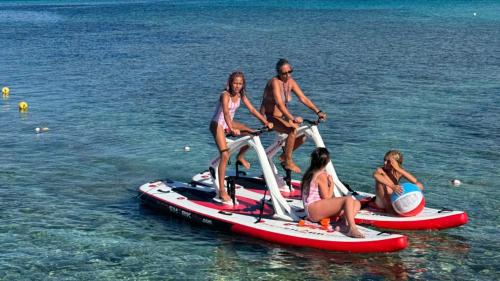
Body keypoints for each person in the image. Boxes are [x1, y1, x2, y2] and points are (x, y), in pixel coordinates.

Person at [210, 71, 273, 204]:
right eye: (235, 83)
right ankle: (222, 190)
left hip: (229, 123)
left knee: (252, 134)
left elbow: (252, 110)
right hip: (218, 124)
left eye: (240, 83)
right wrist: (231, 129)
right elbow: (226, 113)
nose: (237, 86)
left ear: (243, 84)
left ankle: (240, 156)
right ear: (230, 83)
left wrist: (265, 122)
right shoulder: (225, 95)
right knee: (225, 155)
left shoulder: (241, 95)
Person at [260, 58, 327, 173]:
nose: (287, 75)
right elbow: (280, 104)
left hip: (282, 117)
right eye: (284, 73)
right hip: (269, 117)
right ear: (278, 73)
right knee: (292, 131)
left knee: (304, 135)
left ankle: (283, 156)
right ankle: (288, 161)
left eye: (289, 72)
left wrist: (318, 111)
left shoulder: (290, 82)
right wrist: (292, 118)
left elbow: (303, 98)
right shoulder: (274, 82)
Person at [301, 147, 364, 238]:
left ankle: (342, 224)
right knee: (348, 199)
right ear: (327, 162)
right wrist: (332, 184)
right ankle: (352, 228)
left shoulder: (310, 173)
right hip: (313, 210)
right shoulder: (321, 175)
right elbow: (327, 197)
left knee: (357, 203)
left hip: (311, 210)